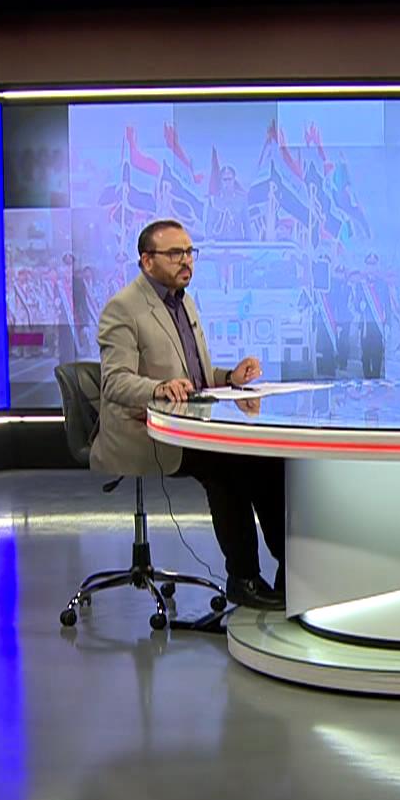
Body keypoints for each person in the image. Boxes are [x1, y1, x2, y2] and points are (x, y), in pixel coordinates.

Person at [90, 219, 287, 611]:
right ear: (147, 261)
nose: (187, 261)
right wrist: (158, 388)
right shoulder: (123, 309)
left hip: (189, 424)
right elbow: (114, 383)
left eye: (190, 252)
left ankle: (291, 565)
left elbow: (195, 378)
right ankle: (243, 577)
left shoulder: (184, 301)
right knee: (228, 464)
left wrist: (229, 377)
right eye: (175, 253)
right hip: (144, 431)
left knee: (267, 458)